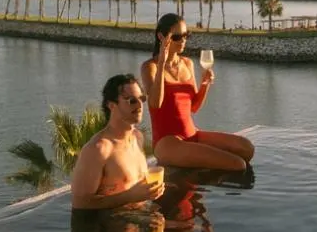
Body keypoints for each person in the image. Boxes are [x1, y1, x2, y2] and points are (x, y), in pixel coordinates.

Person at [140, 13, 254, 172]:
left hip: (192, 133)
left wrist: (205, 84)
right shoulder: (150, 67)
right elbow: (155, 103)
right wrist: (161, 63)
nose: (183, 40)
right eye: (177, 37)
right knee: (237, 164)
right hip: (167, 143)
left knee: (246, 148)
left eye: (186, 35)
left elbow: (193, 107)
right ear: (161, 37)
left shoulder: (187, 63)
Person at [71, 74, 164, 210]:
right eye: (132, 100)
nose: (139, 105)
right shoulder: (98, 149)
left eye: (142, 99)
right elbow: (80, 203)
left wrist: (151, 190)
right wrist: (129, 197)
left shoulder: (138, 138)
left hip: (141, 214)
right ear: (112, 105)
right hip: (113, 220)